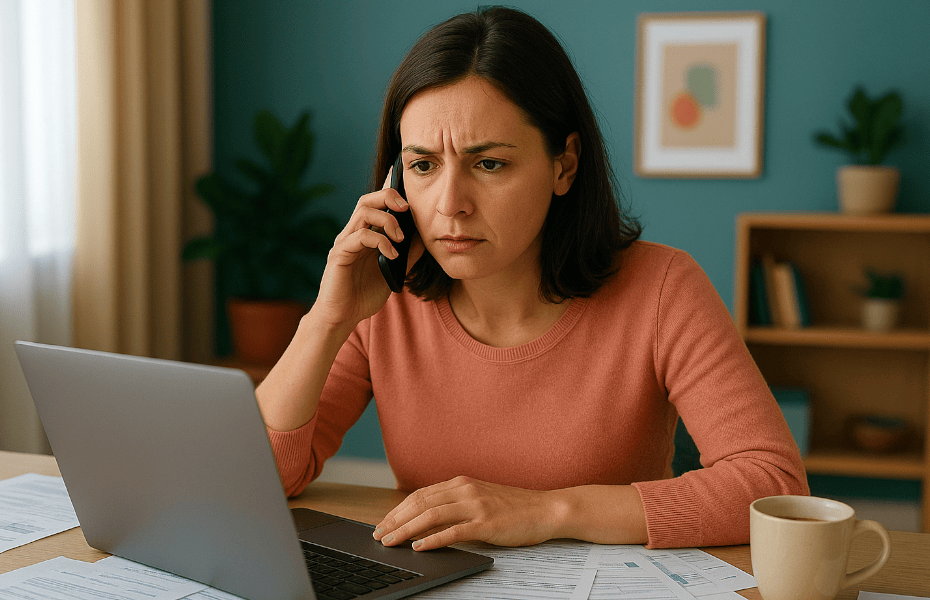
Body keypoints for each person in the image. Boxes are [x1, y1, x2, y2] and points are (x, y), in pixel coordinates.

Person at [256, 6, 808, 551]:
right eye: (423, 166)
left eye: (488, 164)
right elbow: (258, 480)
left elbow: (773, 486)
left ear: (564, 165)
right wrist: (327, 321)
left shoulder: (664, 288)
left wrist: (547, 510)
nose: (450, 204)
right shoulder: (383, 300)